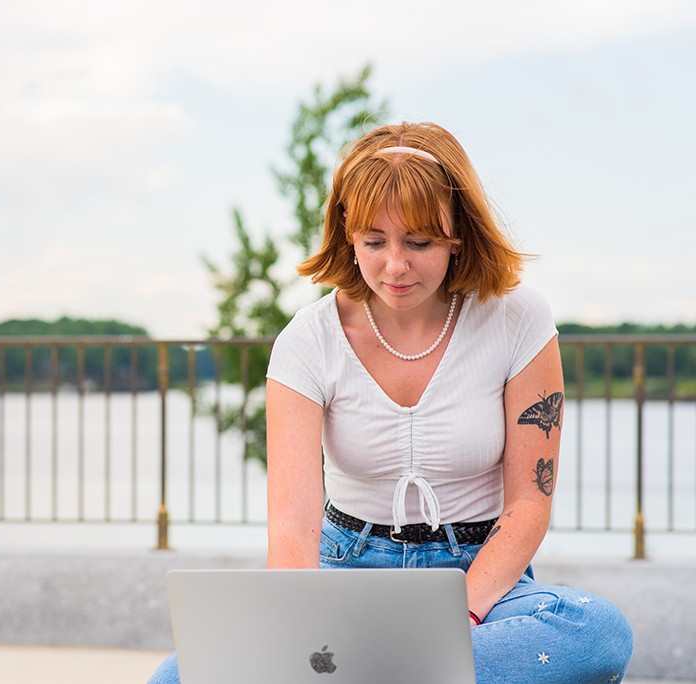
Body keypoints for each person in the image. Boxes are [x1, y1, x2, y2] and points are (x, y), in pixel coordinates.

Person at [149, 121, 633, 683]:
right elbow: (292, 529)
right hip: (344, 570)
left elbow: (529, 504)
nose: (395, 266)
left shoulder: (519, 317)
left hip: (480, 579)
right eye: (374, 242)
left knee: (597, 632)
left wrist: (460, 620)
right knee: (175, 676)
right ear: (348, 237)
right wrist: (298, 636)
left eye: (419, 243)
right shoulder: (306, 342)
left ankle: (378, 673)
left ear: (459, 235)